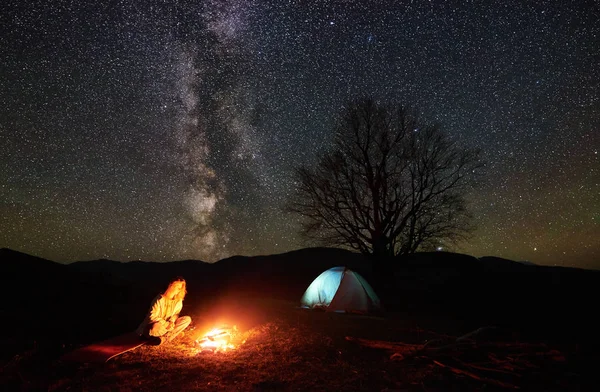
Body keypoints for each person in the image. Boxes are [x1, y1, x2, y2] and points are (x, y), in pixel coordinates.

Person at [136, 277, 192, 345]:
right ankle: (164, 336)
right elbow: (152, 316)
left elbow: (176, 314)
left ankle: (163, 339)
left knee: (187, 319)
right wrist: (166, 324)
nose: (178, 290)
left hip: (168, 325)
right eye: (176, 286)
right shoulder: (159, 299)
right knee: (155, 327)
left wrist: (172, 321)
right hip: (157, 325)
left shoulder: (178, 301)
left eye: (180, 288)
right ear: (170, 285)